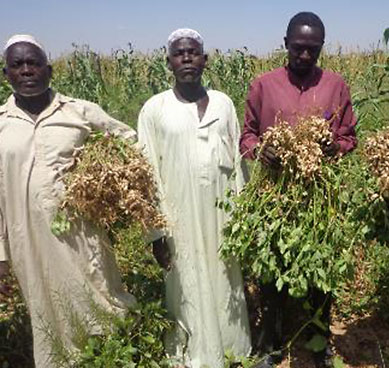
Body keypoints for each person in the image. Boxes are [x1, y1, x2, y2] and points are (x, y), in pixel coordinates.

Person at [0, 35, 136, 367]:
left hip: (81, 235)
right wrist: (0, 255)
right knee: (47, 306)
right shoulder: (1, 124)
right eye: (17, 65)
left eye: (34, 63)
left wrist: (108, 177)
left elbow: (129, 143)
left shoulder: (79, 111)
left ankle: (110, 359)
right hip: (28, 241)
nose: (27, 70)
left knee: (99, 299)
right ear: (7, 75)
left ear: (49, 70)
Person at [239, 12, 357, 368]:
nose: (305, 56)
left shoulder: (336, 85)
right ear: (285, 43)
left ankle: (319, 342)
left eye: (313, 49)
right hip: (274, 195)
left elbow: (349, 135)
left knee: (321, 275)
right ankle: (271, 344)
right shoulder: (263, 85)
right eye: (298, 48)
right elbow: (246, 135)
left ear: (321, 47)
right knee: (272, 271)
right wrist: (262, 151)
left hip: (318, 195)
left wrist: (332, 147)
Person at [137, 28, 251, 368]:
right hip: (177, 215)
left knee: (225, 279)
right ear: (169, 61)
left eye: (193, 52)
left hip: (223, 215)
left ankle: (232, 350)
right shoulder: (154, 109)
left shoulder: (224, 103)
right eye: (179, 53)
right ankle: (191, 355)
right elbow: (146, 171)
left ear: (205, 59)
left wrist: (243, 218)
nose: (187, 58)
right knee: (185, 282)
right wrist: (156, 234)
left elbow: (238, 163)